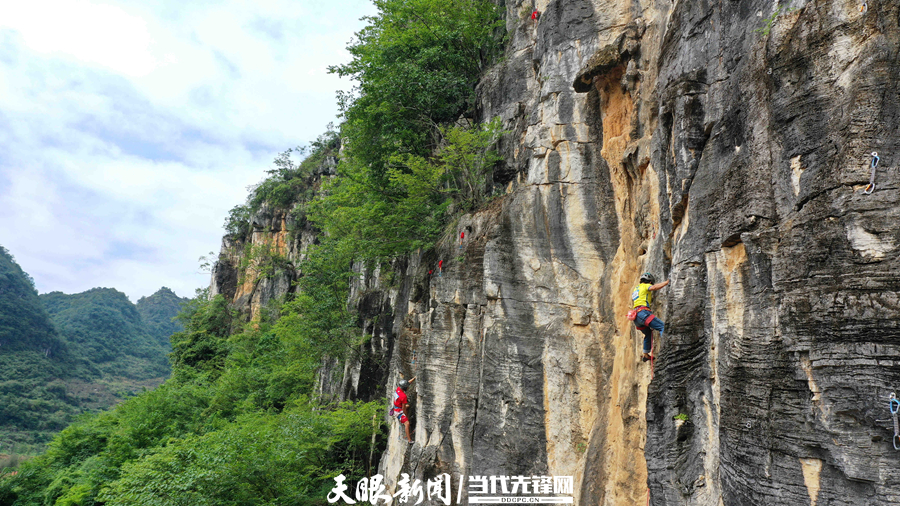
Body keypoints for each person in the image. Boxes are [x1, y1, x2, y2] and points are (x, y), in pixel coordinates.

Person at [632, 272, 669, 362]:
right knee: (662, 327)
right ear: (649, 281)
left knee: (648, 333)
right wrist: (667, 282)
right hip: (643, 313)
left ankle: (645, 354)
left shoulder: (635, 289)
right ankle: (666, 348)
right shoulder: (644, 286)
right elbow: (654, 288)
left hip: (636, 317)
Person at [390, 377, 415, 443]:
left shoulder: (398, 389)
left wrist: (414, 378)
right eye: (407, 387)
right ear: (404, 388)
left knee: (408, 406)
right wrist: (406, 416)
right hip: (398, 412)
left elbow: (407, 383)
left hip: (397, 407)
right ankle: (409, 440)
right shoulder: (403, 396)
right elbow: (403, 408)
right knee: (407, 424)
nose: (408, 388)